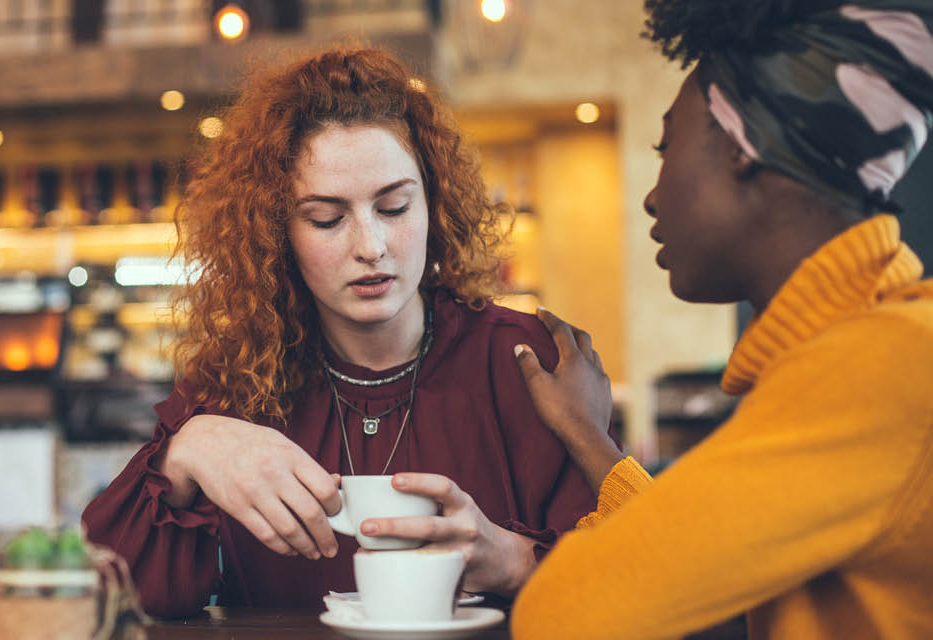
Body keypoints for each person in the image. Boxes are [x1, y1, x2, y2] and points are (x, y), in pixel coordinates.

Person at [82, 47, 607, 618]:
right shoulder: (239, 381)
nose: (371, 247)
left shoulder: (524, 361)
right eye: (326, 219)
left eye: (395, 207)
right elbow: (116, 598)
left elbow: (634, 586)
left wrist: (514, 559)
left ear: (435, 203)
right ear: (276, 234)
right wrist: (185, 454)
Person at [510, 1, 933, 638]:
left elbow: (564, 613)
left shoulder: (876, 370)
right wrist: (589, 435)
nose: (652, 195)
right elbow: (701, 551)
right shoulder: (866, 346)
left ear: (742, 148)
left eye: (667, 144)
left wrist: (521, 561)